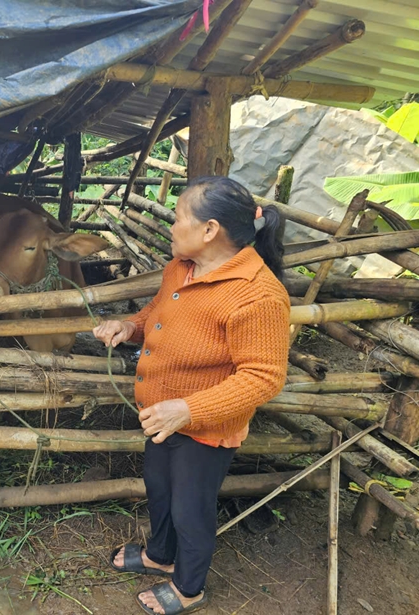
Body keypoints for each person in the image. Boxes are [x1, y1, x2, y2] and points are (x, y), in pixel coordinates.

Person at [93, 176, 290, 615]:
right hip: (162, 414)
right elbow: (158, 312)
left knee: (190, 509)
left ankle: (188, 587)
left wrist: (188, 409)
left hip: (205, 427)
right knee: (159, 490)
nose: (171, 225)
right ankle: (160, 555)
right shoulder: (181, 268)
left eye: (179, 217)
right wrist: (130, 326)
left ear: (209, 230)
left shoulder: (257, 295)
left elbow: (264, 377)